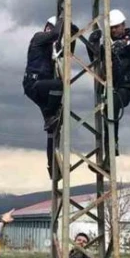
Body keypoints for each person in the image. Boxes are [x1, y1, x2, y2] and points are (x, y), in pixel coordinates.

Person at [23, 15, 80, 176]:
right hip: (35, 85)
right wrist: (64, 20)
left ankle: (53, 168)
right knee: (60, 85)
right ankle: (50, 116)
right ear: (48, 27)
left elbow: (67, 53)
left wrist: (72, 35)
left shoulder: (50, 48)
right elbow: (55, 34)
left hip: (42, 88)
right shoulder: (39, 38)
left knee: (53, 130)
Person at [88, 8, 130, 154]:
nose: (113, 30)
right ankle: (108, 149)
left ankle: (112, 146)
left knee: (112, 107)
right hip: (110, 86)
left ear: (123, 25)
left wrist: (126, 46)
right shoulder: (108, 43)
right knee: (108, 111)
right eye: (111, 28)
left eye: (116, 27)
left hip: (126, 86)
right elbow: (96, 59)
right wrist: (92, 45)